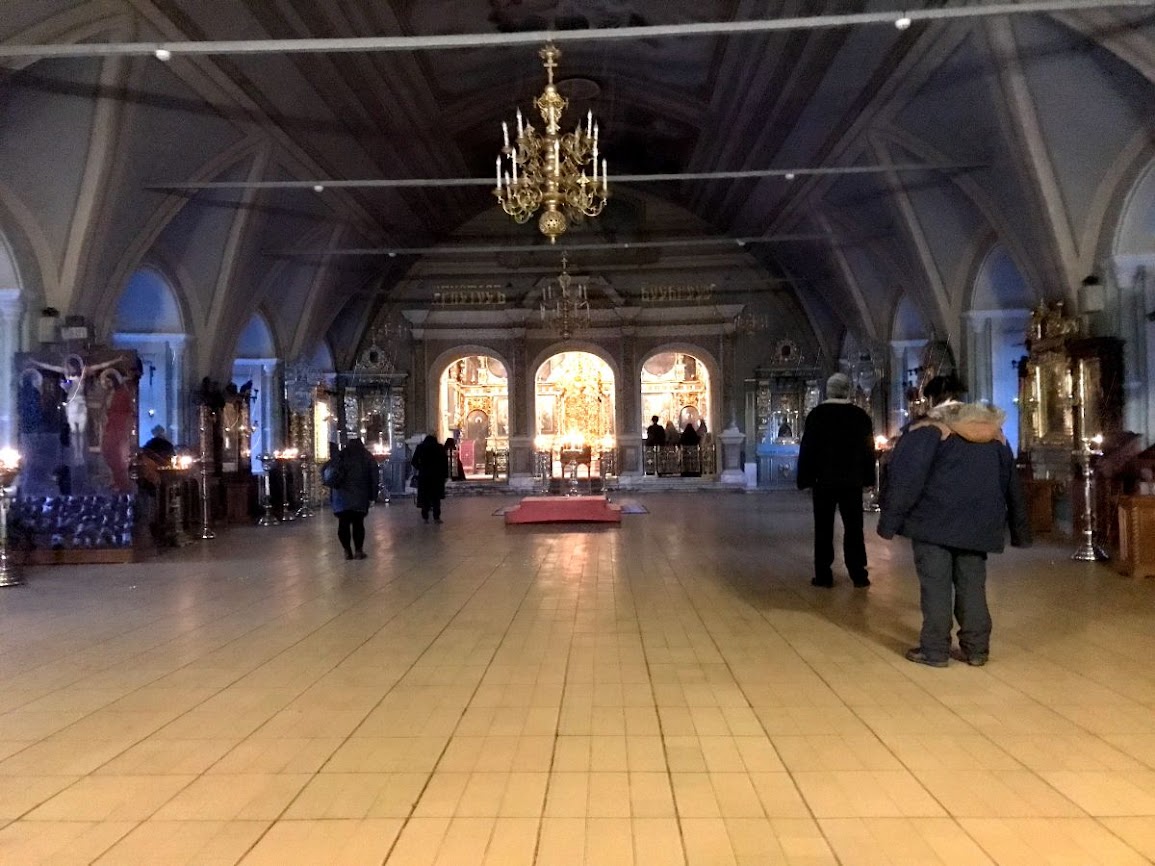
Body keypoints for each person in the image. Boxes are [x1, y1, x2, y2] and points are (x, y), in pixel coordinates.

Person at [879, 375, 1031, 667]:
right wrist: (1019, 529)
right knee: (973, 585)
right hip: (979, 524)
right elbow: (1011, 483)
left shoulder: (928, 430)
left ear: (933, 399)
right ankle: (976, 649)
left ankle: (934, 650)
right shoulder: (993, 432)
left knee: (936, 586)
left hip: (932, 523)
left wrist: (890, 521)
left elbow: (907, 478)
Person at [796, 372, 875, 588]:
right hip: (852, 481)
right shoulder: (860, 416)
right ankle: (858, 573)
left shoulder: (817, 415)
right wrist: (869, 477)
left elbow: (808, 449)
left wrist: (805, 478)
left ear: (828, 391)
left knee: (823, 527)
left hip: (823, 481)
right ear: (847, 390)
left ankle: (823, 574)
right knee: (854, 527)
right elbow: (869, 449)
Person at [323, 438, 377, 560]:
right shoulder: (366, 457)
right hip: (360, 496)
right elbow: (374, 477)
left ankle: (347, 550)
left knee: (343, 524)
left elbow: (327, 470)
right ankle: (358, 551)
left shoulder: (341, 455)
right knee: (358, 524)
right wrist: (373, 495)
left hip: (340, 496)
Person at [411, 434, 449, 523]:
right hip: (437, 476)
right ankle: (436, 517)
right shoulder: (439, 447)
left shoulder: (421, 447)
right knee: (436, 498)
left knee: (425, 497)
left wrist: (420, 468)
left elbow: (414, 461)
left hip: (424, 476)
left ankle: (425, 517)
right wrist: (445, 475)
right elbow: (445, 463)